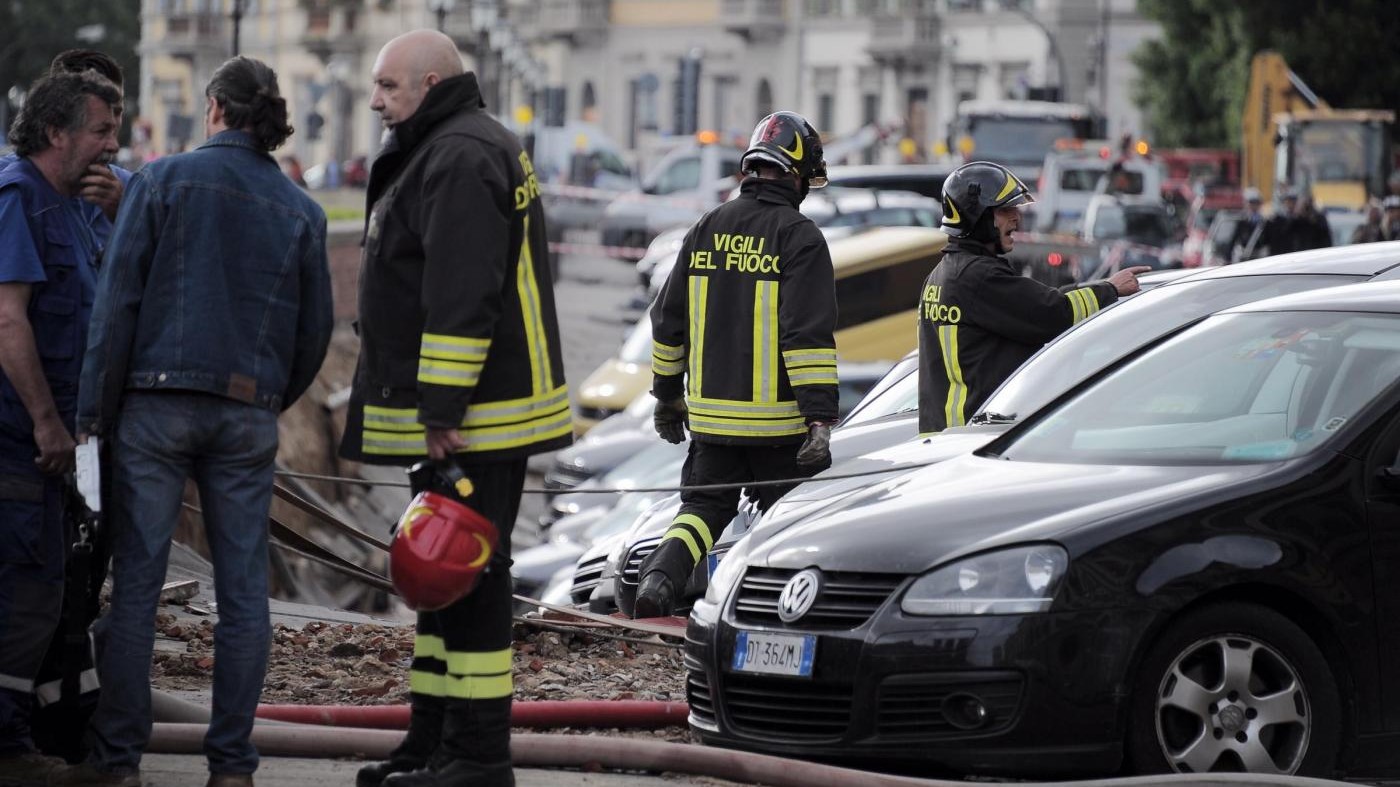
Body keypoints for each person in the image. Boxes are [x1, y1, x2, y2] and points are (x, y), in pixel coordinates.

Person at [52, 56, 333, 787]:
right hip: (246, 415)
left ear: (213, 108)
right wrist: (265, 395)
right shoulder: (303, 211)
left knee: (137, 584)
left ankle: (119, 760)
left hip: (155, 407)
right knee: (245, 596)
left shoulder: (161, 182)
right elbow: (313, 337)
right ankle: (233, 766)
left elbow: (117, 306)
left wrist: (92, 414)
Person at [341, 30, 570, 787]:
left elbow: (461, 294)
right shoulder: (459, 143)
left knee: (467, 581)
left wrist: (440, 407)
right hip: (475, 411)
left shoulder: (461, 154)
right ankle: (432, 742)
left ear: (430, 80)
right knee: (440, 580)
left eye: (386, 86)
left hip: (476, 416)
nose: (375, 99)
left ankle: (475, 757)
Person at [634, 110, 840, 619]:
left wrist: (666, 396)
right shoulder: (800, 237)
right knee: (789, 525)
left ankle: (658, 584)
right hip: (778, 430)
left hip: (711, 425)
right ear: (795, 173)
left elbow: (667, 321)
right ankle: (771, 618)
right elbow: (806, 336)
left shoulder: (708, 227)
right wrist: (819, 421)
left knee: (700, 513)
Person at [0, 69, 120, 787]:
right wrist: (46, 421)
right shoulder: (19, 198)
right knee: (24, 586)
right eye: (101, 130)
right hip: (19, 438)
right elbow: (8, 319)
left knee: (51, 587)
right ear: (57, 132)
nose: (113, 144)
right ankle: (8, 748)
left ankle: (30, 736)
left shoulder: (77, 203)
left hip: (61, 445)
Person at [918, 161, 1147, 434]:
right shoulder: (978, 277)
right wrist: (1109, 290)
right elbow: (1052, 313)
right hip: (972, 437)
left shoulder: (942, 275)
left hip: (949, 436)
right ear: (977, 216)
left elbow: (1036, 302)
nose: (1017, 217)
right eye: (1006, 210)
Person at [1, 50, 131, 233]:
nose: (114, 144)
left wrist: (124, 213)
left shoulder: (131, 189)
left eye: (117, 112)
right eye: (100, 128)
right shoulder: (16, 190)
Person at [1231, 187, 1268, 261]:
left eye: (1256, 203)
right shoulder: (1241, 221)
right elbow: (1234, 239)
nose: (1254, 206)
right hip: (1244, 256)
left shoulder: (1265, 221)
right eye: (1251, 203)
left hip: (1259, 256)